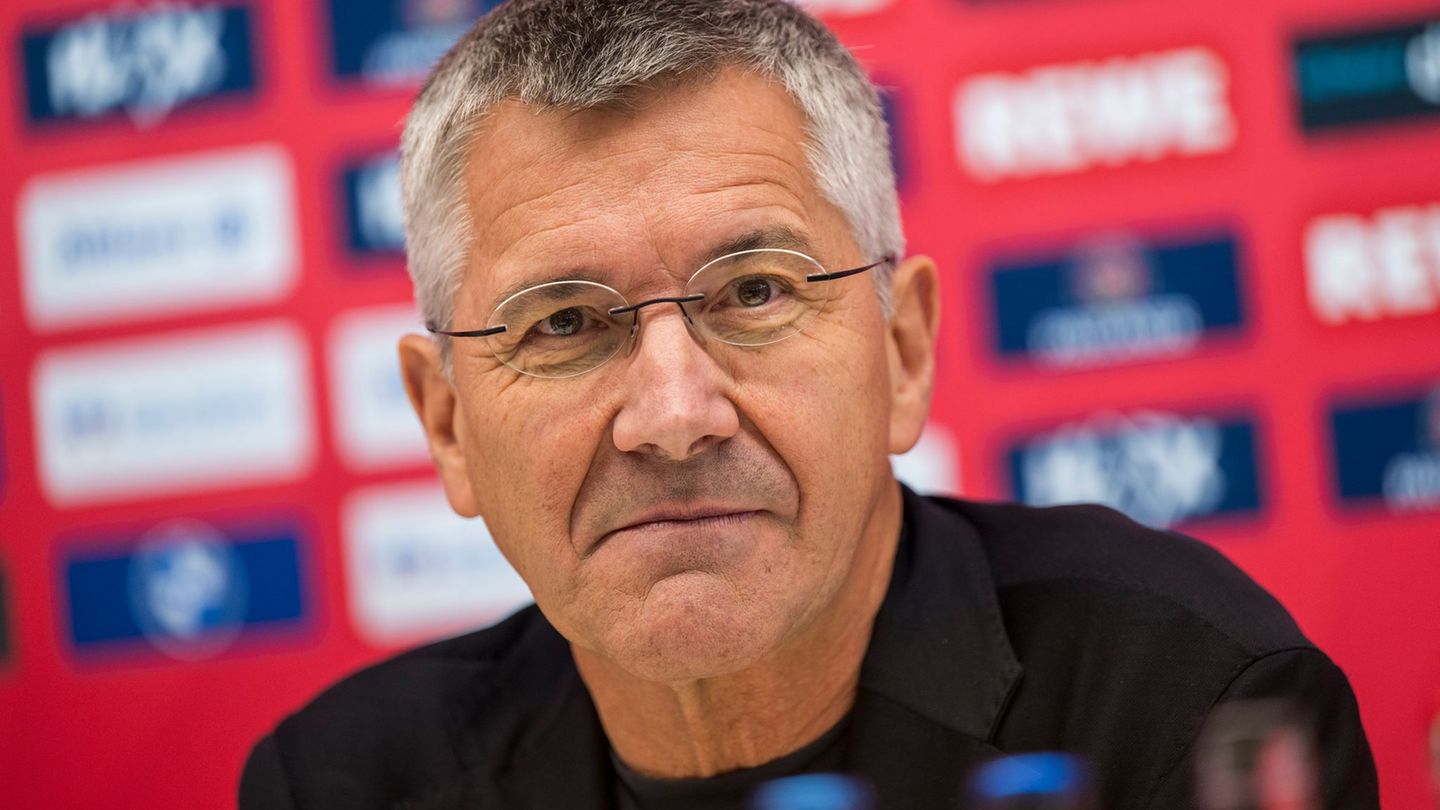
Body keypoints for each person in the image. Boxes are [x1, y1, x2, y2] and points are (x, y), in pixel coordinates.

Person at [240, 1, 1379, 807]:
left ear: (902, 347)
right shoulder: (341, 782)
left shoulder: (1184, 701)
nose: (674, 414)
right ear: (447, 424)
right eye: (566, 324)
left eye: (754, 292)